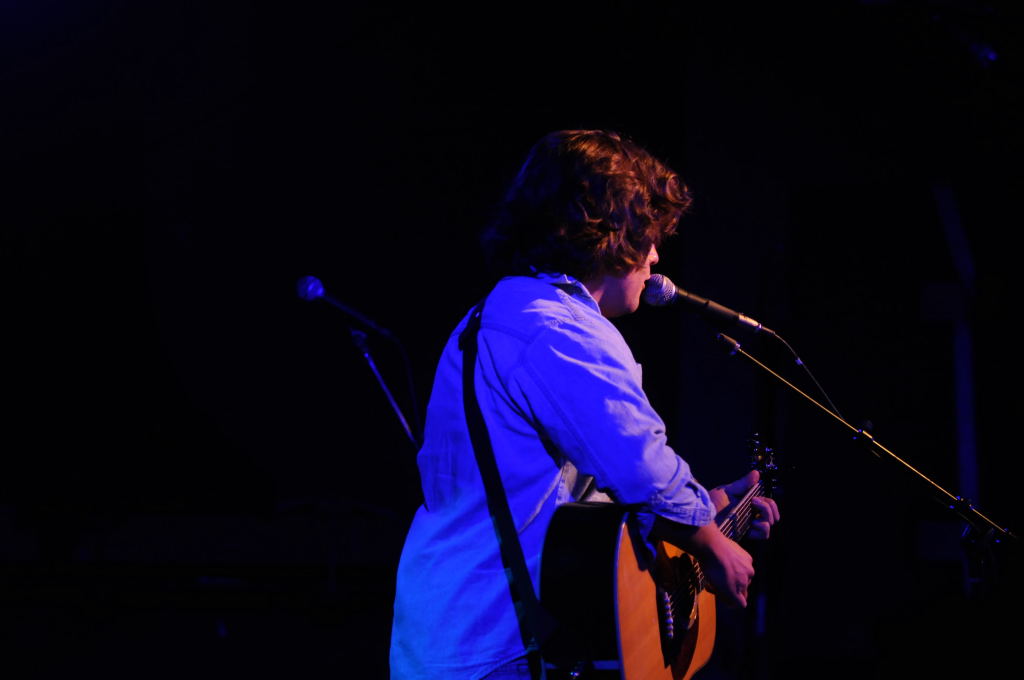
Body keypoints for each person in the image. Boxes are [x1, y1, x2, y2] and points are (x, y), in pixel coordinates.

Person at [389, 130, 780, 680]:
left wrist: (707, 507)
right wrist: (711, 542)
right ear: (612, 232)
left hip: (462, 635)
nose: (656, 256)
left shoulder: (504, 313)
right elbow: (639, 463)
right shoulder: (557, 327)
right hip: (497, 645)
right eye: (649, 236)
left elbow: (565, 500)